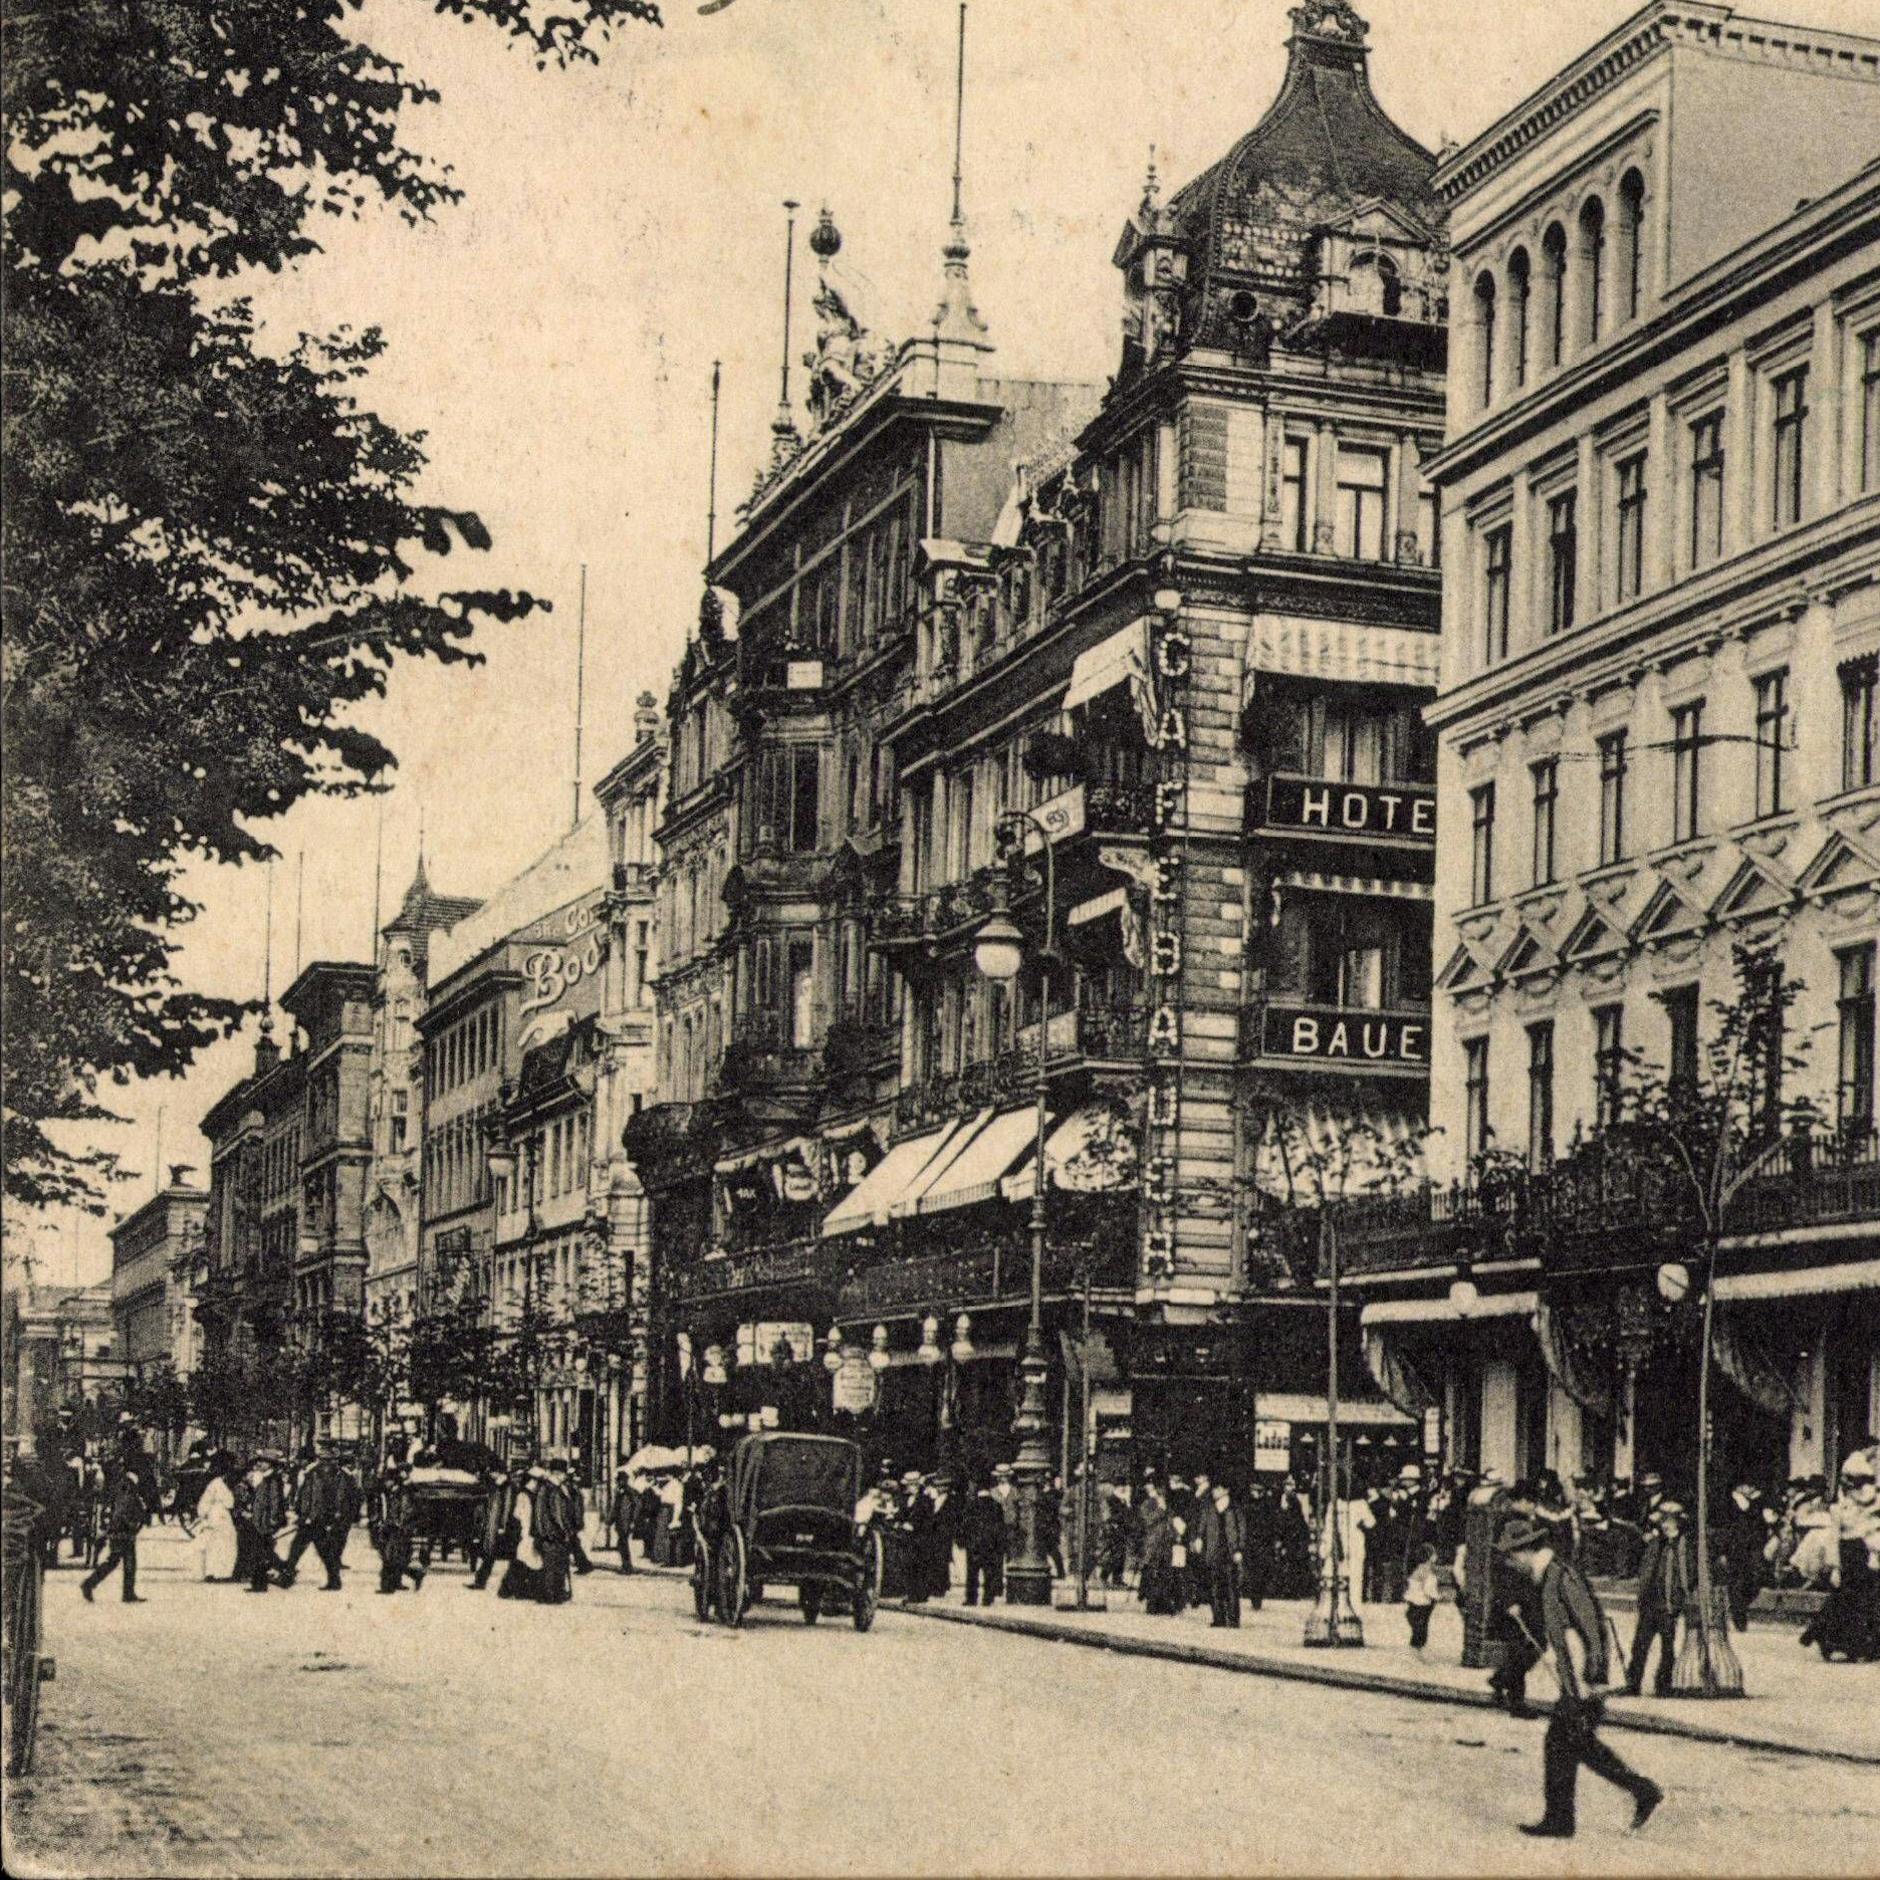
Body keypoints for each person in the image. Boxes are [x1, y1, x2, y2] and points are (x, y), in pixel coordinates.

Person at [1496, 1517, 1663, 1840]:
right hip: (1573, 1679)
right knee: (1572, 1744)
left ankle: (1629, 1795)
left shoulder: (1561, 1576)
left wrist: (1594, 1675)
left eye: (1511, 1555)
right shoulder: (1546, 1577)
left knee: (1567, 1742)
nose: (1510, 1562)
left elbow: (1591, 1625)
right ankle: (1568, 1816)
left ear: (1524, 1551)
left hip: (1583, 1682)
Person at [1625, 1499, 1694, 1696]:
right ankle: (1633, 1682)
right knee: (1640, 1646)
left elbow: (1686, 1574)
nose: (1665, 1525)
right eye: (1663, 1520)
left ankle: (1663, 1684)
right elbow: (1646, 1569)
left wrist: (1681, 1597)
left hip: (1669, 1603)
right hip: (1650, 1601)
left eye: (1670, 1521)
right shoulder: (1655, 1544)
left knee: (1667, 1647)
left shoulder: (1682, 1545)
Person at [281, 1438, 363, 1591]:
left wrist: (336, 1518)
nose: (326, 1463)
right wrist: (302, 1514)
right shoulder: (312, 1473)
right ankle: (288, 1576)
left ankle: (332, 1580)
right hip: (310, 1519)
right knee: (298, 1548)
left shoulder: (341, 1476)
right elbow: (305, 1495)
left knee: (323, 1552)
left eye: (329, 1459)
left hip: (321, 1520)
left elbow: (343, 1499)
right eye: (323, 1459)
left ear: (335, 1460)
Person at [80, 1451, 151, 1604]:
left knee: (120, 1561)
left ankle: (125, 1592)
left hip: (121, 1529)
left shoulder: (125, 1484)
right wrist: (130, 1524)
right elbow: (122, 1508)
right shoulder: (127, 1485)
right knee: (123, 1561)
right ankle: (91, 1585)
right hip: (122, 1530)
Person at [471, 1457, 529, 1591]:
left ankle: (506, 1586)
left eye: (492, 1472)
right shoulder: (501, 1485)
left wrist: (502, 1526)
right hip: (500, 1527)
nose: (491, 1475)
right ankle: (486, 1582)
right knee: (496, 1556)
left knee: (506, 1556)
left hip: (506, 1527)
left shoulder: (506, 1486)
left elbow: (506, 1507)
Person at [1197, 1480, 1246, 1628]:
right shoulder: (1209, 1508)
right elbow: (1202, 1526)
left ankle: (1233, 1618)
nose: (1214, 1492)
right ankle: (1218, 1618)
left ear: (1226, 1490)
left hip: (1230, 1551)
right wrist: (1199, 1538)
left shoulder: (1234, 1508)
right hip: (1214, 1550)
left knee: (1231, 1585)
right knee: (1214, 1585)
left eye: (1217, 1489)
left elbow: (1242, 1530)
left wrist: (1239, 1549)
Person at [373, 1461, 425, 1594]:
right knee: (394, 1557)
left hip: (398, 1527)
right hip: (396, 1526)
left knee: (390, 1558)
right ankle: (399, 1581)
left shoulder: (405, 1490)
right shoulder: (401, 1488)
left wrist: (399, 1524)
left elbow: (405, 1510)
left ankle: (391, 1586)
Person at [499, 1456, 546, 1602]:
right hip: (526, 1532)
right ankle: (509, 1589)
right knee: (524, 1560)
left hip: (530, 1532)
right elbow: (518, 1515)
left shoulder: (532, 1495)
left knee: (529, 1560)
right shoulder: (523, 1495)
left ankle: (520, 1589)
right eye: (538, 1482)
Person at [536, 1459, 577, 1603]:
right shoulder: (554, 1490)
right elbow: (557, 1513)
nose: (565, 1476)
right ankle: (554, 1595)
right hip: (554, 1533)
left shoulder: (544, 1487)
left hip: (546, 1533)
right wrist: (565, 1530)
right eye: (564, 1473)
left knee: (551, 1565)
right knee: (556, 1565)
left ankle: (552, 1594)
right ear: (558, 1473)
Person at [1136, 1480, 1179, 1615]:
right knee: (1152, 1573)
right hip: (1152, 1544)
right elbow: (1147, 1521)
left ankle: (1164, 1603)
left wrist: (1175, 1534)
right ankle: (1152, 1604)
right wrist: (1160, 1510)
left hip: (1166, 1544)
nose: (1161, 1495)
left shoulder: (1167, 1506)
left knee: (1165, 1573)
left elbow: (1170, 1522)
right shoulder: (1147, 1505)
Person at [195, 1453, 240, 1581]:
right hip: (221, 1515)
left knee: (215, 1544)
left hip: (215, 1515)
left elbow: (205, 1501)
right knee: (225, 1544)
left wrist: (204, 1514)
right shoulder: (220, 1485)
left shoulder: (215, 1484)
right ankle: (222, 1573)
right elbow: (229, 1503)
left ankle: (213, 1572)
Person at [963, 1474, 1006, 1608]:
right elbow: (1000, 1526)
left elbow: (965, 1524)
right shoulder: (996, 1505)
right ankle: (988, 1597)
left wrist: (965, 1540)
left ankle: (971, 1598)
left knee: (972, 1572)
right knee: (989, 1571)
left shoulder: (971, 1505)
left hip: (974, 1543)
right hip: (990, 1543)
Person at [1405, 1541, 1442, 1648]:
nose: (1436, 1556)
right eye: (1434, 1554)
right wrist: (1438, 1596)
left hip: (1413, 1603)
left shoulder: (1418, 1569)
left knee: (1417, 1630)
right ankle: (1418, 1652)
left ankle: (1415, 1649)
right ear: (1430, 1557)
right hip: (1423, 1603)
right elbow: (1428, 1589)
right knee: (1422, 1629)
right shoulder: (1427, 1571)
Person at [609, 1467, 638, 1572]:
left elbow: (635, 1507)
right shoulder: (620, 1491)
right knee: (622, 1544)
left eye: (620, 1480)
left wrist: (633, 1521)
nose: (618, 1482)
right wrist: (610, 1520)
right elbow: (615, 1508)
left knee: (623, 1544)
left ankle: (627, 1566)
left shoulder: (629, 1492)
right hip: (620, 1521)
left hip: (626, 1521)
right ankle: (626, 1565)